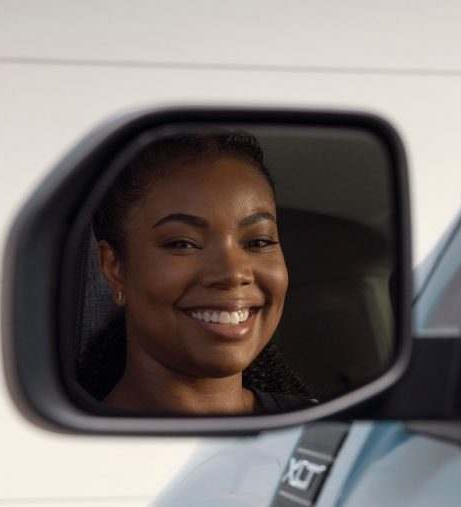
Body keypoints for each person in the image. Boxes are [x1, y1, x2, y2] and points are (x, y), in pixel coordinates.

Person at [83, 131, 314, 414]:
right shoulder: (53, 450)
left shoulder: (340, 438)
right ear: (114, 269)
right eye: (183, 244)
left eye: (259, 241)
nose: (232, 273)